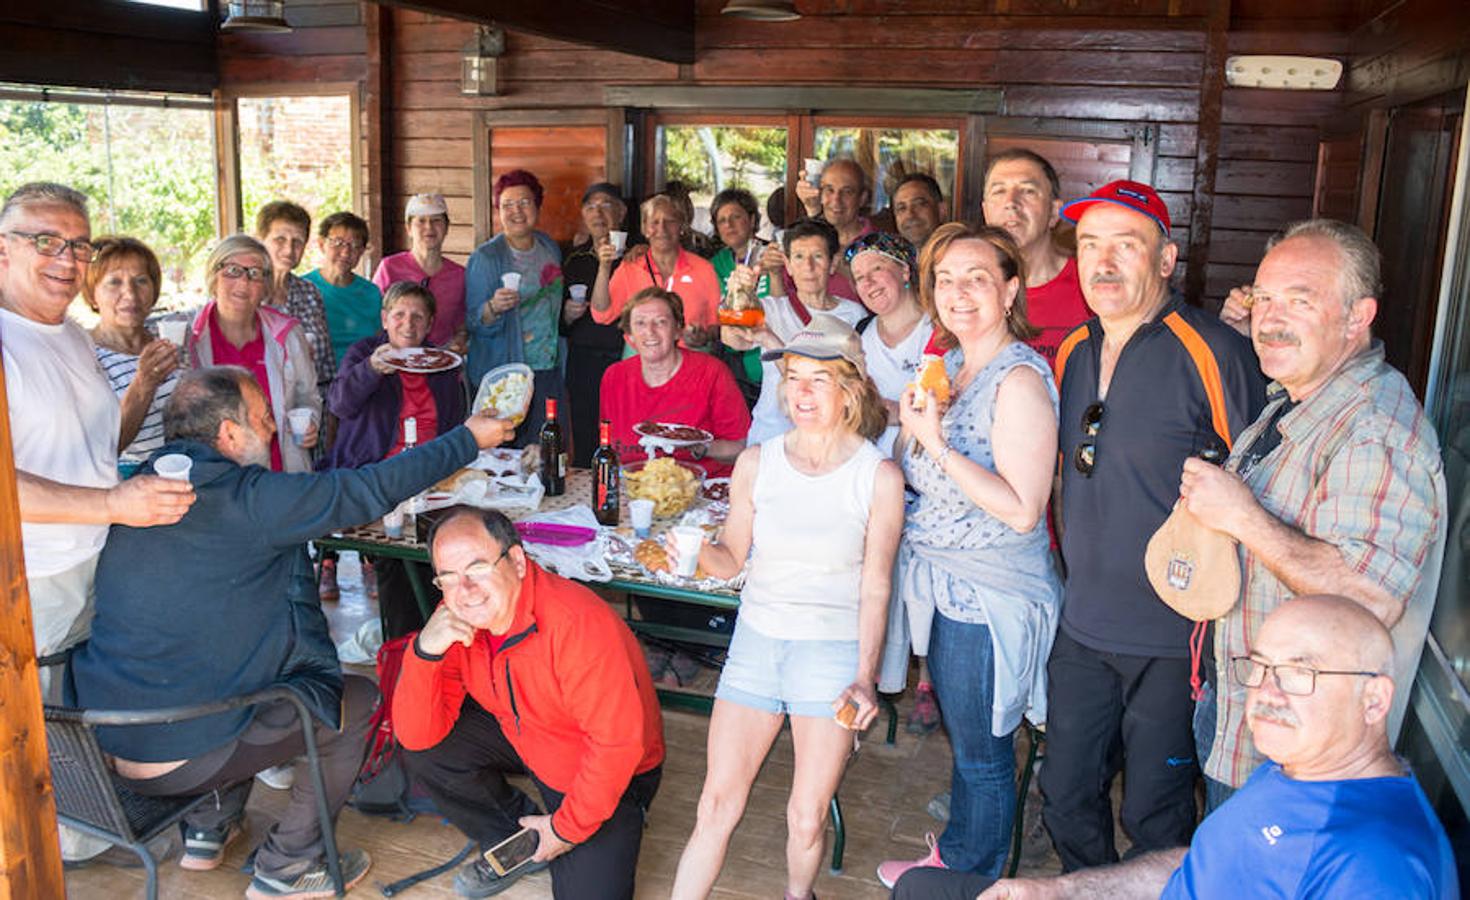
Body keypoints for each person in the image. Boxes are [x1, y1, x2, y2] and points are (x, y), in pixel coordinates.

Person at [67, 365, 513, 897]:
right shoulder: (251, 499)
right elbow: (368, 488)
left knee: (236, 657)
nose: (273, 430)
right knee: (358, 700)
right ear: (229, 434)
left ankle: (208, 831)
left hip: (106, 745)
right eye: (262, 420)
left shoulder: (131, 486)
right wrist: (467, 439)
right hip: (183, 750)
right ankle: (288, 865)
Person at [893, 596, 1459, 899]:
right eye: (1259, 668)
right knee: (922, 890)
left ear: (1374, 700)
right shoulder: (1294, 771)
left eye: (1299, 673)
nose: (1265, 693)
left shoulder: (1375, 864)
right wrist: (1060, 892)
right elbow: (1201, 866)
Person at [1178, 219, 1448, 810]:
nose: (1271, 319)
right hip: (1249, 722)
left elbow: (1372, 598)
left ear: (1358, 317)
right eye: (1265, 298)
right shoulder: (1297, 398)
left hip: (1298, 754)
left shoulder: (1373, 430)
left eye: (1300, 301)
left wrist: (1242, 516)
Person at [1041, 180, 1266, 872]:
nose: (1103, 264)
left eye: (1126, 246)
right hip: (1082, 624)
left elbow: (1256, 481)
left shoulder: (1211, 350)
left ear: (1166, 260)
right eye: (1090, 246)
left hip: (1175, 638)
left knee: (1156, 813)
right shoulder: (1072, 349)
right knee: (1063, 792)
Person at [670, 315, 905, 900]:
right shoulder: (758, 462)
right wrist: (693, 550)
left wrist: (865, 678)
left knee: (805, 816)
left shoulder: (877, 477)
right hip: (756, 643)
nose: (799, 392)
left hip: (830, 654)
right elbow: (731, 559)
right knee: (716, 804)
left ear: (851, 387)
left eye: (818, 380)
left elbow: (877, 586)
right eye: (793, 377)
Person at [875, 224, 1062, 888]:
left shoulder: (1019, 381)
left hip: (991, 593)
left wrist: (935, 442)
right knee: (965, 736)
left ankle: (970, 878)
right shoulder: (951, 366)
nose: (958, 293)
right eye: (946, 279)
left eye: (977, 277)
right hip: (950, 585)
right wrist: (909, 435)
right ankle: (955, 853)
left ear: (1011, 288)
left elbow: (1021, 508)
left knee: (983, 752)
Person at [393, 508, 665, 899]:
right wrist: (424, 652)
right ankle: (517, 839)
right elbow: (416, 736)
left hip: (600, 767)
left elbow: (616, 747)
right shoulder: (456, 617)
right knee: (429, 751)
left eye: (478, 568)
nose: (465, 590)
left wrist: (564, 830)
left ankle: (579, 828)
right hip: (522, 730)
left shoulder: (576, 624)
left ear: (517, 561)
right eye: (448, 577)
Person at [1, 181, 194, 698]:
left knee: (80, 714)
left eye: (79, 245)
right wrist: (112, 501)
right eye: (45, 241)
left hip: (95, 560)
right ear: (2, 248)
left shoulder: (68, 334)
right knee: (33, 731)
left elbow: (100, 446)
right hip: (32, 578)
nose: (67, 258)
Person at [324, 281, 467, 635]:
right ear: (385, 319)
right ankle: (406, 643)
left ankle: (439, 635)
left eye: (418, 316)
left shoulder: (440, 362)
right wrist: (372, 369)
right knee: (402, 560)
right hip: (376, 475)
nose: (408, 323)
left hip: (432, 475)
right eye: (399, 314)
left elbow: (455, 424)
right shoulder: (366, 353)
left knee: (451, 549)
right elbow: (340, 404)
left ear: (430, 323)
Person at [845, 233, 939, 734]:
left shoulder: (937, 331)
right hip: (875, 474)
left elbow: (941, 406)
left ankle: (927, 681)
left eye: (877, 270)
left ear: (905, 271)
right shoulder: (860, 333)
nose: (868, 284)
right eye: (859, 277)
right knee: (879, 576)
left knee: (922, 582)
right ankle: (878, 675)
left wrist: (887, 408)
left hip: (927, 476)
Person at [723, 219, 868, 445]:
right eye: (799, 257)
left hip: (827, 443)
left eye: (818, 257)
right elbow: (732, 339)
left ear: (833, 263)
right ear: (788, 265)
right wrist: (736, 293)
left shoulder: (854, 314)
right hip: (771, 438)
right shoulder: (770, 309)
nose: (808, 267)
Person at [186, 234, 321, 473]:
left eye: (255, 274)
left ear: (265, 286)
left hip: (281, 475)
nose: (244, 282)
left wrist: (310, 421)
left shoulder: (288, 334)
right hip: (216, 478)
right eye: (233, 270)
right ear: (213, 277)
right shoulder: (190, 339)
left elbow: (308, 397)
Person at [599, 286, 750, 476]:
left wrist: (701, 447)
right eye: (640, 323)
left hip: (701, 490)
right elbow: (609, 447)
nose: (650, 332)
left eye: (661, 322)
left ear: (678, 330)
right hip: (636, 489)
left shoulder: (712, 372)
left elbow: (741, 446)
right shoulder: (614, 377)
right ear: (629, 337)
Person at [464, 169, 566, 445]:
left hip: (548, 367)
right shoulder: (486, 258)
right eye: (507, 204)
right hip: (507, 377)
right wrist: (494, 307)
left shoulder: (548, 246)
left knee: (546, 448)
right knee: (507, 454)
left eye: (524, 202)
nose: (516, 211)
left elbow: (550, 299)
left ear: (537, 206)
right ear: (498, 210)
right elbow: (472, 321)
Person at [82, 236, 182, 475]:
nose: (130, 293)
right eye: (114, 282)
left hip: (182, 467)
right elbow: (106, 449)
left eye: (141, 280)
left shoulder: (168, 340)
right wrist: (144, 382)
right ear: (92, 294)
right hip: (129, 483)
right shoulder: (84, 356)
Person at [981, 149, 1090, 366]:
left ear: (1053, 212)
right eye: (999, 191)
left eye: (1028, 191)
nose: (1011, 202)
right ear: (985, 212)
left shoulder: (1089, 288)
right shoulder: (967, 288)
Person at [590, 193, 721, 349]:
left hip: (692, 358)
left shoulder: (704, 269)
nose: (662, 228)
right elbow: (601, 314)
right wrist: (604, 268)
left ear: (681, 227)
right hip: (641, 360)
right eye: (654, 222)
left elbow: (718, 324)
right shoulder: (631, 267)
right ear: (645, 228)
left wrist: (704, 336)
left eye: (670, 221)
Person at [561, 182, 630, 467]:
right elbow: (559, 324)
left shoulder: (636, 254)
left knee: (624, 434)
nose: (597, 213)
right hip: (584, 360)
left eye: (606, 206)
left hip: (624, 358)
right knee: (586, 432)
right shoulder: (573, 259)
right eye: (590, 207)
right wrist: (566, 314)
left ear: (622, 212)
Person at [257, 200, 335, 402]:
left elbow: (326, 367)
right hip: (258, 407)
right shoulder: (246, 292)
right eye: (280, 239)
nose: (289, 249)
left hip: (307, 409)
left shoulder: (309, 293)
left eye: (297, 241)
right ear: (260, 240)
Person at [372, 193, 468, 350]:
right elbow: (375, 319)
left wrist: (459, 342)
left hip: (441, 359)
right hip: (397, 356)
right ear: (408, 228)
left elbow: (462, 325)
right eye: (421, 221)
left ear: (446, 227)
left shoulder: (459, 275)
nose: (429, 227)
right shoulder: (389, 268)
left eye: (436, 220)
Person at [708, 187, 772, 406]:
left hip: (771, 361)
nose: (729, 225)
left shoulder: (772, 256)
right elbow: (716, 312)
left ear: (752, 219)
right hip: (734, 367)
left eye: (736, 217)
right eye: (722, 220)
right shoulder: (717, 263)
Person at [305, 211, 382, 369]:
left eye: (354, 246)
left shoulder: (371, 293)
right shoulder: (304, 288)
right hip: (317, 380)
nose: (346, 252)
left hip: (362, 378)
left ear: (361, 252)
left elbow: (379, 342)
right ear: (321, 244)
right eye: (338, 242)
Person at [789, 158, 874, 299]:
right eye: (829, 190)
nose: (836, 200)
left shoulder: (878, 245)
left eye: (847, 192)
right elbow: (785, 298)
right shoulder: (803, 239)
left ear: (862, 198)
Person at [890, 173, 945, 250]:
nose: (910, 215)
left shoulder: (959, 256)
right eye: (901, 208)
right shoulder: (890, 258)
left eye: (919, 204)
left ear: (941, 210)